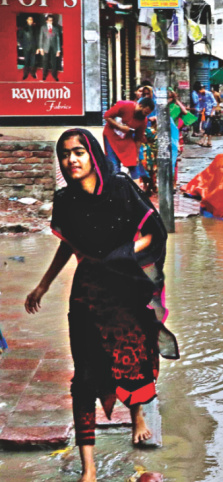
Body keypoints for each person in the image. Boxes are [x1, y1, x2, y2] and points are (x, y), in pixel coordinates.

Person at [25, 128, 178, 482]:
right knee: (85, 375)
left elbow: (154, 232)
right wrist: (44, 284)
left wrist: (120, 257)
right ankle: (89, 469)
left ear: (92, 154)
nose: (71, 160)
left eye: (78, 152)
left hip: (126, 289)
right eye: (65, 154)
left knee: (133, 357)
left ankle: (137, 412)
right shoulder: (65, 200)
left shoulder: (121, 188)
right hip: (87, 293)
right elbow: (70, 244)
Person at [102, 97, 154, 181]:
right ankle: (116, 187)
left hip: (126, 138)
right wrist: (120, 127)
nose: (145, 115)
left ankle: (137, 187)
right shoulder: (125, 105)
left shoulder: (143, 120)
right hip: (111, 135)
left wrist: (136, 156)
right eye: (145, 112)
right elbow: (107, 116)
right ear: (140, 106)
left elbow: (138, 138)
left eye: (147, 114)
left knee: (133, 162)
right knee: (114, 164)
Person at [38, 14, 62, 81]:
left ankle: (54, 75)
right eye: (49, 20)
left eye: (51, 20)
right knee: (45, 62)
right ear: (46, 21)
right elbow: (41, 38)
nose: (50, 21)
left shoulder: (56, 28)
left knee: (54, 63)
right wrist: (41, 48)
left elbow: (58, 39)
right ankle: (44, 75)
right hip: (45, 48)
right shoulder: (43, 28)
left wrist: (58, 50)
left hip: (54, 48)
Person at [17, 16, 39, 80]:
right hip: (26, 48)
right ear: (27, 20)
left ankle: (32, 73)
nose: (30, 20)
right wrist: (23, 45)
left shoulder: (35, 28)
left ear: (32, 21)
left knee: (33, 62)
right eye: (29, 19)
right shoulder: (23, 28)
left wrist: (37, 48)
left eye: (31, 19)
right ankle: (25, 74)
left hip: (34, 48)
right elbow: (19, 38)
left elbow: (37, 39)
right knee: (26, 62)